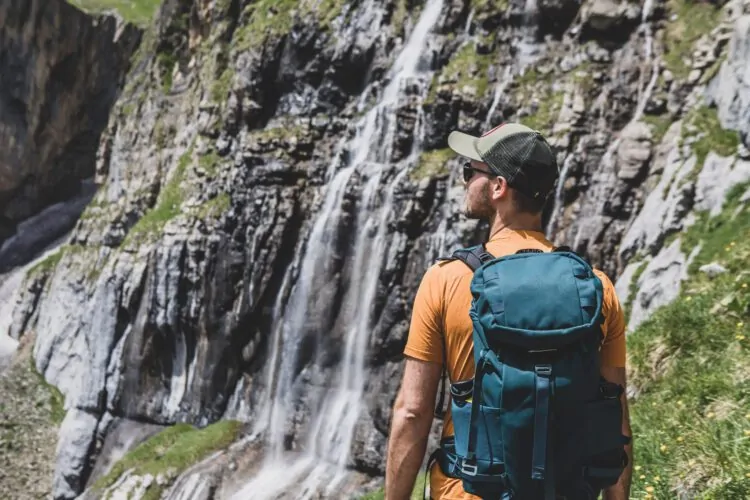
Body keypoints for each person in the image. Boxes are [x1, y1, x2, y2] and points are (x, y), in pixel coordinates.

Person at [384, 123, 633, 500]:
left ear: (498, 187)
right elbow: (615, 419)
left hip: (467, 490)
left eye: (471, 172)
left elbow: (413, 414)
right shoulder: (598, 289)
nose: (465, 181)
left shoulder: (447, 279)